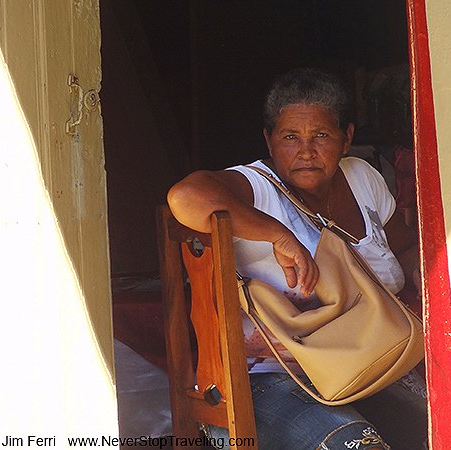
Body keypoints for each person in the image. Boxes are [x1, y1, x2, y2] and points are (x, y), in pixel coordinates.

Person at [167, 68, 427, 450]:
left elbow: (404, 250)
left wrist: (428, 278)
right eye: (290, 137)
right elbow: (184, 197)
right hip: (271, 379)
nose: (306, 151)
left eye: (321, 135)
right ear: (269, 141)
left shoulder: (361, 177)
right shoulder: (257, 188)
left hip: (373, 362)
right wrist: (277, 235)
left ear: (347, 138)